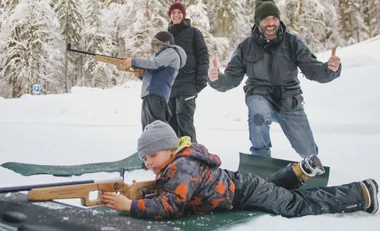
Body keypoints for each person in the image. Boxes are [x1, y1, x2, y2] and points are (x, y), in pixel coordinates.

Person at [101, 120, 378, 219]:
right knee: (270, 188)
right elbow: (173, 192)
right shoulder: (179, 162)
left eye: (153, 155)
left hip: (242, 191)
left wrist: (131, 206)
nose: (148, 163)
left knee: (295, 205)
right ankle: (297, 172)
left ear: (170, 149)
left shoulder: (181, 166)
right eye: (145, 158)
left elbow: (172, 205)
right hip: (241, 187)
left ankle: (361, 193)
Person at [208, 0, 342, 158]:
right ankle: (261, 158)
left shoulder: (293, 43)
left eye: (274, 18)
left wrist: (330, 69)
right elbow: (231, 78)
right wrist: (216, 79)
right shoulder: (246, 47)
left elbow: (312, 69)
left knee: (309, 152)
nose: (271, 23)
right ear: (258, 22)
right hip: (259, 96)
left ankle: (310, 165)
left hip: (289, 101)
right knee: (258, 110)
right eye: (265, 19)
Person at [122, 31, 187, 130]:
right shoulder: (163, 56)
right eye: (155, 45)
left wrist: (133, 61)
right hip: (150, 96)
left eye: (158, 45)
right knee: (148, 130)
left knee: (156, 130)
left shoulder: (171, 52)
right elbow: (155, 74)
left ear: (167, 43)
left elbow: (154, 65)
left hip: (156, 96)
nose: (156, 48)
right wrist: (141, 75)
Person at [167, 1, 209, 143]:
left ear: (184, 15)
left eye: (179, 12)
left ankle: (192, 154)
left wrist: (201, 80)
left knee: (184, 120)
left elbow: (203, 56)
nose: (176, 15)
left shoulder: (193, 33)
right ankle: (176, 157)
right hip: (170, 86)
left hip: (188, 84)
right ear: (170, 16)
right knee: (171, 122)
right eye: (173, 13)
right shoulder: (167, 36)